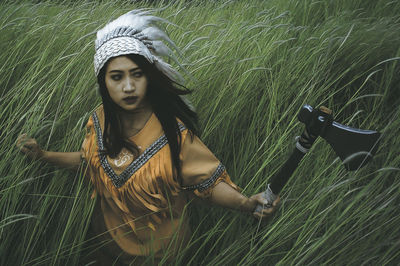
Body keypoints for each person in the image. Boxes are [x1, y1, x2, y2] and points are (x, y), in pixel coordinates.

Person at [16, 10, 280, 265]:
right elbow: (91, 161)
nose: (128, 86)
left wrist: (246, 203)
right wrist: (44, 155)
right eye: (117, 77)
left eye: (137, 74)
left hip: (159, 256)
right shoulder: (100, 120)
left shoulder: (173, 134)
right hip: (103, 249)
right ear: (104, 83)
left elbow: (208, 183)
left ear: (148, 78)